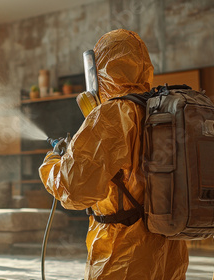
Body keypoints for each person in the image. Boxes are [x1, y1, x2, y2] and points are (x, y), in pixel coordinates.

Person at [39, 29, 189, 279]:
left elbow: (75, 189)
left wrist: (52, 163)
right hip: (170, 250)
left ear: (101, 69)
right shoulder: (161, 110)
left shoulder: (111, 114)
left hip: (123, 255)